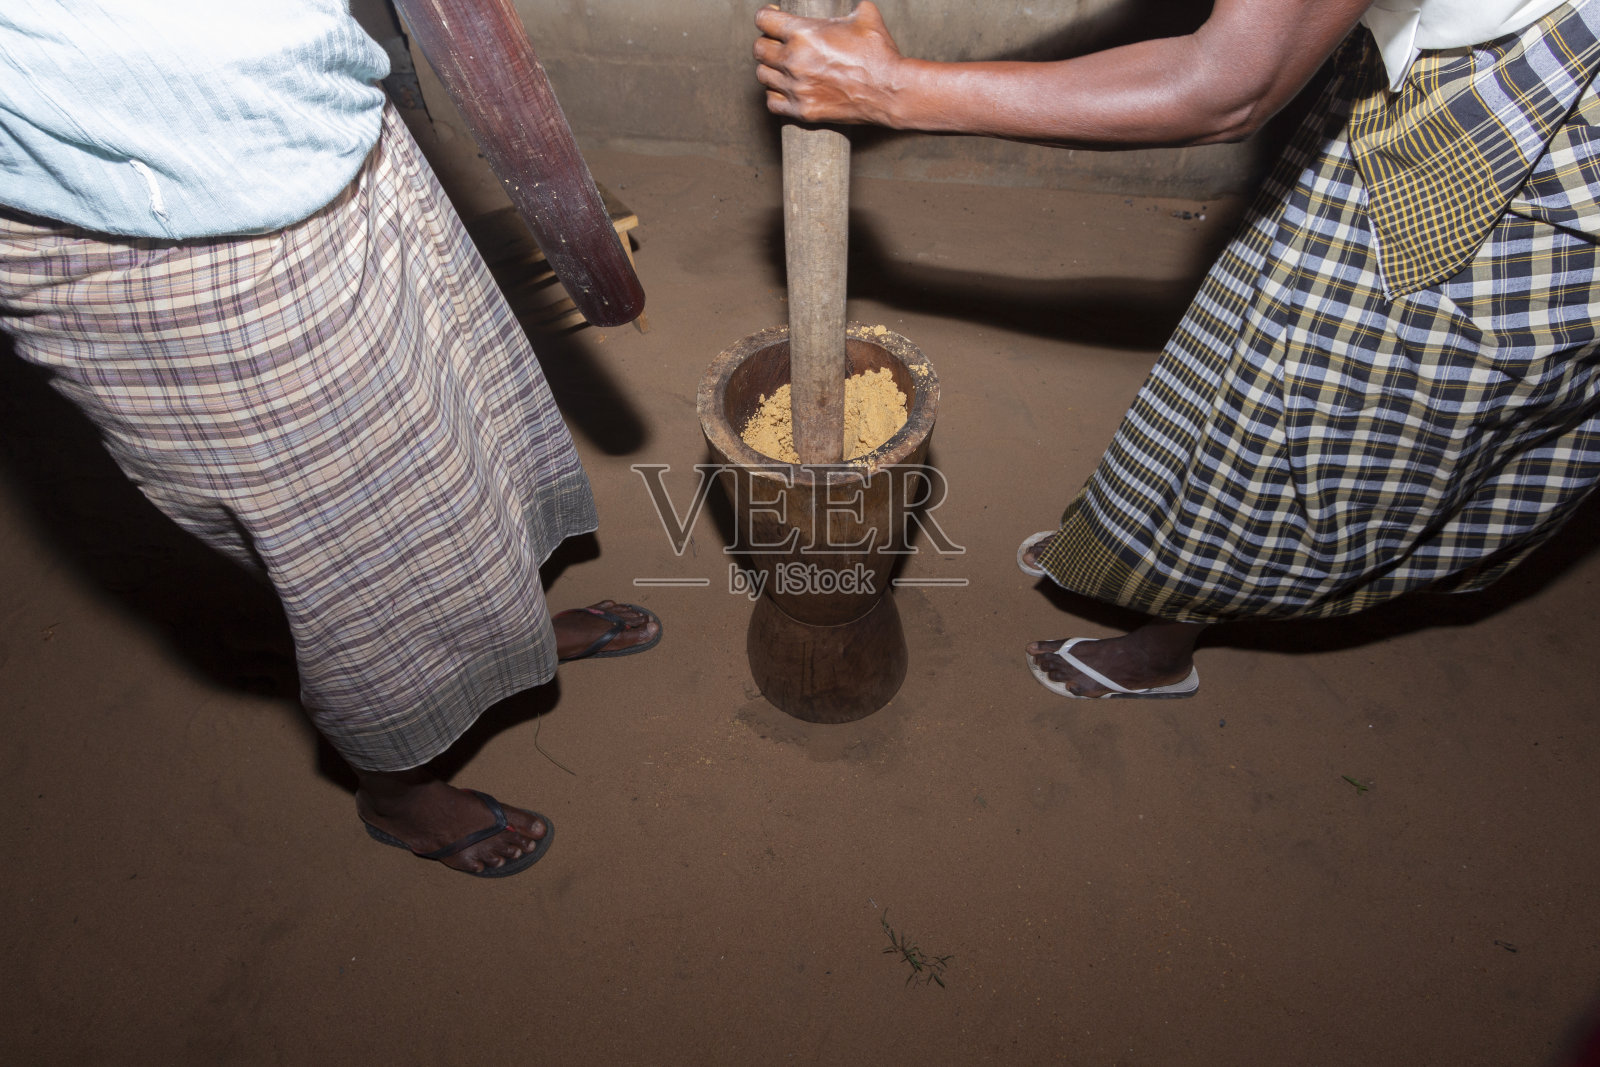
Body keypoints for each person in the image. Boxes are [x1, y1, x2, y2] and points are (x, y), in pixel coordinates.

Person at [755, 0, 1600, 698]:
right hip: (1412, 78)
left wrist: (894, 91)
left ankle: (1167, 639)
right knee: (1258, 324)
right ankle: (1145, 542)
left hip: (1536, 136)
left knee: (1328, 412)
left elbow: (1224, 87)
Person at [0, 0, 660, 877]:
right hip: (164, 229)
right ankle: (401, 793)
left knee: (461, 443)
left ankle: (512, 628)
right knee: (355, 562)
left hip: (338, 126)